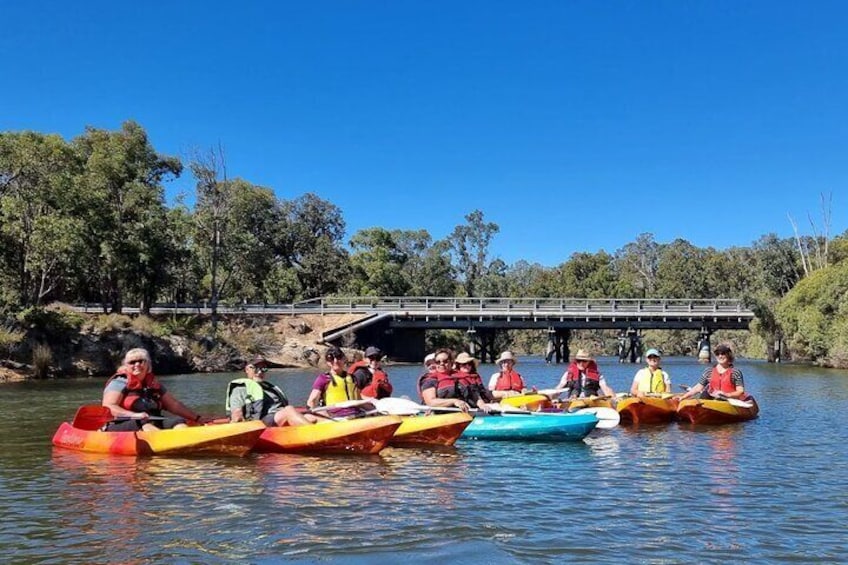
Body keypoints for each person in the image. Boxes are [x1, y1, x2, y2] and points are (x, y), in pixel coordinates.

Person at [102, 347, 208, 432]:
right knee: (144, 424)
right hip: (124, 424)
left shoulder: (154, 384)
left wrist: (197, 418)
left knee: (177, 421)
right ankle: (165, 448)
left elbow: (174, 405)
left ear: (148, 364)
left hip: (152, 421)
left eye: (141, 361)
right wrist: (134, 415)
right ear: (126, 366)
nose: (137, 365)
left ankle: (187, 444)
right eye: (132, 362)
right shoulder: (119, 382)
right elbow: (109, 407)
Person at [227, 356, 314, 426]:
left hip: (280, 417)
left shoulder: (269, 387)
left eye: (263, 369)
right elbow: (237, 415)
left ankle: (326, 435)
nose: (260, 372)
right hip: (261, 423)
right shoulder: (240, 388)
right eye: (255, 368)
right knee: (289, 410)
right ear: (247, 370)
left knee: (311, 417)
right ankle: (313, 434)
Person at [420, 350, 496, 412]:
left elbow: (475, 396)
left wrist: (482, 405)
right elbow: (431, 402)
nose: (442, 364)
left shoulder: (462, 376)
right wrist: (454, 401)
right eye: (438, 362)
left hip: (465, 413)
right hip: (442, 415)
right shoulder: (430, 380)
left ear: (451, 362)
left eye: (445, 361)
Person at [679, 343, 746, 401]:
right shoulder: (709, 371)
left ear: (728, 355)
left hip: (729, 399)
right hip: (713, 398)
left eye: (723, 353)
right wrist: (684, 397)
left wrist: (727, 395)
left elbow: (740, 391)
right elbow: (698, 387)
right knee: (705, 393)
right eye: (717, 354)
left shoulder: (735, 372)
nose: (720, 356)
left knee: (719, 398)